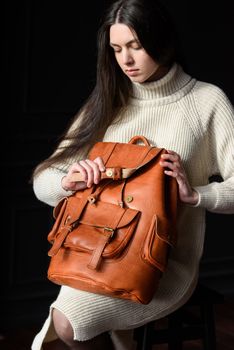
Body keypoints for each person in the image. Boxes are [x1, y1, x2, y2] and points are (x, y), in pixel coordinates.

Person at [31, 0, 234, 349]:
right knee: (69, 319)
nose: (125, 60)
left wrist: (197, 194)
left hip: (162, 266)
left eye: (136, 47)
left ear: (162, 41)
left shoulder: (206, 102)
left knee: (68, 322)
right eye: (116, 49)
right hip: (93, 253)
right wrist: (69, 180)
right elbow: (42, 180)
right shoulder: (109, 101)